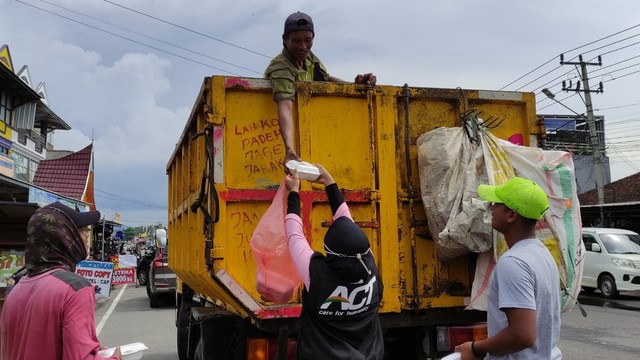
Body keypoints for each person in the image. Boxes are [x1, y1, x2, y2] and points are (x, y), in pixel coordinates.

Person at [454, 177, 561, 359]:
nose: (491, 209)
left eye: (496, 204)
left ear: (511, 215)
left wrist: (475, 348)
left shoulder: (513, 262)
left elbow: (522, 335)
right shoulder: (541, 253)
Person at [284, 165, 384, 359]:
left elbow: (294, 234)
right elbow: (348, 226)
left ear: (331, 253)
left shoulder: (316, 274)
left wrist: (293, 192)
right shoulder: (368, 265)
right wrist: (329, 182)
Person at [0, 202, 122, 360]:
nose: (86, 236)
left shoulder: (15, 291)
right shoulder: (75, 289)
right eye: (82, 230)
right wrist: (115, 358)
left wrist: (89, 347)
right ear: (65, 236)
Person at [265, 12, 377, 167]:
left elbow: (325, 80)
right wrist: (290, 151)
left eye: (307, 40)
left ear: (313, 38)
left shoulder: (309, 57)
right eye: (296, 41)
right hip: (275, 139)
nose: (303, 47)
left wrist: (354, 86)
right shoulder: (281, 68)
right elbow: (285, 107)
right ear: (285, 40)